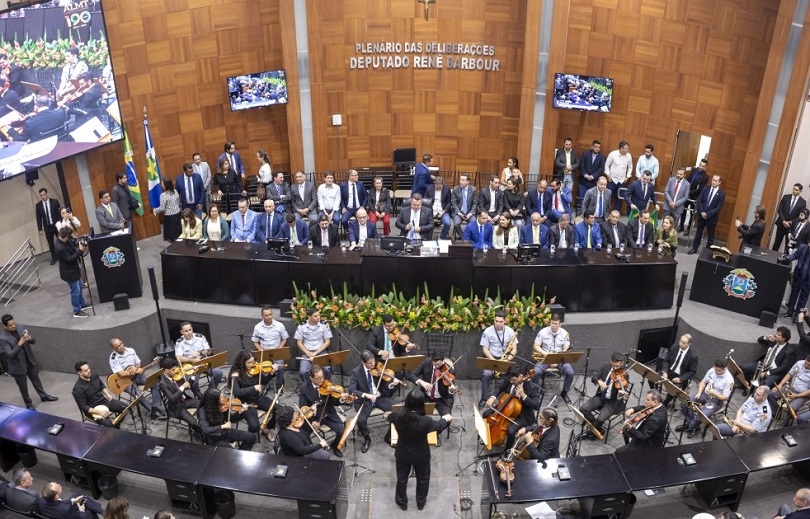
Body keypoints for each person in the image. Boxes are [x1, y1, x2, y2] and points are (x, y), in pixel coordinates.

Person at [388, 390, 452, 511]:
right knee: (423, 479)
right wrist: (445, 418)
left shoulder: (397, 416)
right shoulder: (425, 421)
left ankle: (402, 502)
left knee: (402, 479)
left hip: (403, 453)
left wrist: (386, 415)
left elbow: (389, 417)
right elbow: (438, 427)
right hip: (421, 455)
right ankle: (420, 502)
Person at [0, 314, 57, 409]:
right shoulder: (3, 338)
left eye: (13, 323)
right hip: (17, 365)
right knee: (23, 387)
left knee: (36, 380)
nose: (13, 326)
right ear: (5, 326)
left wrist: (30, 339)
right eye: (10, 325)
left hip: (29, 360)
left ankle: (43, 395)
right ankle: (28, 404)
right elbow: (9, 354)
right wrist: (20, 344)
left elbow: (33, 341)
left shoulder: (20, 326)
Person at [349, 350, 400, 452]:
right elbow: (352, 390)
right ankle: (367, 439)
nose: (373, 364)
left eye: (373, 361)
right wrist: (366, 395)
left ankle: (388, 437)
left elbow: (384, 385)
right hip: (365, 400)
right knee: (361, 420)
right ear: (363, 362)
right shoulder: (356, 372)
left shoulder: (378, 368)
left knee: (397, 412)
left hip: (379, 398)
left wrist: (392, 384)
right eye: (369, 363)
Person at [483, 364, 541, 448]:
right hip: (506, 406)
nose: (510, 382)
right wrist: (493, 397)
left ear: (520, 376)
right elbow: (500, 387)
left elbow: (536, 406)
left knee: (511, 431)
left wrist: (524, 396)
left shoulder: (531, 387)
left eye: (513, 380)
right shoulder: (510, 379)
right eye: (509, 379)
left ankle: (507, 450)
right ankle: (488, 436)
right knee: (486, 414)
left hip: (522, 414)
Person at [108, 338, 165, 420]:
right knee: (138, 395)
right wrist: (131, 371)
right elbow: (120, 373)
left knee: (154, 381)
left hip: (136, 376)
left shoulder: (131, 351)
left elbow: (138, 363)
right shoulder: (113, 358)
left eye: (121, 344)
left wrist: (136, 368)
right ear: (113, 349)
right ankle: (152, 410)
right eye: (117, 346)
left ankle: (155, 408)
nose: (121, 347)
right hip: (124, 381)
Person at [677, 358, 735, 438]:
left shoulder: (729, 380)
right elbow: (703, 382)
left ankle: (690, 427)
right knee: (685, 402)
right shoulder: (712, 370)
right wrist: (699, 393)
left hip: (716, 401)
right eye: (715, 369)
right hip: (704, 394)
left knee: (702, 415)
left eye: (718, 371)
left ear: (724, 369)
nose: (716, 372)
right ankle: (692, 424)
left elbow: (725, 397)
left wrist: (714, 393)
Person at [299, 364, 347, 457]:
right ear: (311, 378)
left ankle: (335, 446)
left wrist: (341, 399)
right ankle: (312, 451)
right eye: (318, 378)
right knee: (303, 435)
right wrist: (312, 421)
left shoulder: (327, 384)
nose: (321, 380)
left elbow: (334, 402)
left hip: (328, 414)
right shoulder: (304, 388)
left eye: (322, 377)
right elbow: (303, 407)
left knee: (341, 430)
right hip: (314, 417)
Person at [579, 353, 630, 439]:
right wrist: (599, 382)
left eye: (618, 366)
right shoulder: (605, 367)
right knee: (583, 409)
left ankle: (591, 432)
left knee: (600, 419)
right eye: (614, 365)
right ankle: (598, 429)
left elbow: (623, 391)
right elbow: (594, 377)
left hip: (613, 402)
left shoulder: (624, 374)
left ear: (621, 363)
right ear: (611, 362)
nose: (616, 368)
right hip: (601, 397)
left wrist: (621, 394)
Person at [228, 350, 275, 436]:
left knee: (279, 410)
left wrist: (271, 373)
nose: (252, 364)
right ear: (242, 363)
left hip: (258, 398)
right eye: (249, 363)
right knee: (254, 427)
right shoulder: (235, 375)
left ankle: (266, 428)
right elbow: (237, 392)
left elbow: (264, 381)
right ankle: (249, 437)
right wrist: (253, 388)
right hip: (246, 403)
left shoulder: (255, 369)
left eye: (253, 362)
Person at [174, 321, 224, 397]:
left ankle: (210, 393)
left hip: (203, 362)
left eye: (190, 330)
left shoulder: (200, 337)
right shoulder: (179, 342)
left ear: (192, 329)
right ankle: (200, 397)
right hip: (190, 366)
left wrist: (200, 353)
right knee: (193, 383)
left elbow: (209, 350)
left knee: (218, 373)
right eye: (186, 331)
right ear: (181, 332)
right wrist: (192, 360)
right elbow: (179, 358)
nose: (189, 332)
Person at [532, 314, 574, 403]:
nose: (553, 325)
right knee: (535, 372)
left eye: (555, 324)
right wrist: (545, 354)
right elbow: (536, 346)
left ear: (560, 324)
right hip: (545, 357)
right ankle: (536, 392)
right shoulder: (543, 332)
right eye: (552, 323)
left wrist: (557, 359)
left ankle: (564, 393)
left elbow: (566, 348)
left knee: (570, 372)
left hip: (559, 358)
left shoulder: (565, 333)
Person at [72, 361, 127, 427]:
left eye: (89, 368)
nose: (89, 371)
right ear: (79, 373)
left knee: (125, 408)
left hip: (103, 400)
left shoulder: (94, 375)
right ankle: (112, 428)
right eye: (86, 370)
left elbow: (101, 385)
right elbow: (84, 407)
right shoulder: (78, 389)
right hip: (93, 409)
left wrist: (107, 394)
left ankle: (116, 426)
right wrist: (100, 412)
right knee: (109, 424)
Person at [479, 310, 517, 404]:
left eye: (500, 321)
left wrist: (507, 360)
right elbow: (485, 349)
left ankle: (505, 399)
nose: (498, 323)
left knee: (513, 374)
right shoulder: (487, 331)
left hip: (505, 359)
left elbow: (514, 349)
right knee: (487, 375)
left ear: (505, 321)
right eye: (496, 321)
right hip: (491, 358)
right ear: (494, 320)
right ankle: (484, 399)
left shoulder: (510, 331)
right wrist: (495, 362)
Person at [54, 227, 91, 318]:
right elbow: (70, 259)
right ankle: (76, 310)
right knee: (75, 291)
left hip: (74, 269)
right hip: (69, 272)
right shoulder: (60, 248)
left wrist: (80, 243)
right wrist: (80, 250)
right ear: (65, 237)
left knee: (80, 287)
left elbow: (72, 243)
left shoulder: (65, 240)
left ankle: (82, 304)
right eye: (69, 237)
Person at [157, 357, 202, 431]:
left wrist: (194, 374)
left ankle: (203, 424)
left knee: (203, 404)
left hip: (184, 401)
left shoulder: (175, 376)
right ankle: (199, 432)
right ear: (166, 370)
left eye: (175, 369)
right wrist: (182, 387)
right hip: (177, 407)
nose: (175, 371)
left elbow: (187, 384)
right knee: (194, 423)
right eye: (173, 370)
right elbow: (172, 398)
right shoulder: (163, 384)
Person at [409, 352, 457, 417]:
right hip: (426, 396)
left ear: (443, 361)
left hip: (442, 399)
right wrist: (422, 382)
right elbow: (411, 375)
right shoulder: (427, 362)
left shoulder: (449, 370)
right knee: (414, 415)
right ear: (432, 361)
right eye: (435, 365)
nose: (437, 367)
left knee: (447, 418)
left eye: (439, 365)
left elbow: (450, 389)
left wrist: (451, 390)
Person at [251, 306, 289, 387]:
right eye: (266, 315)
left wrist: (279, 348)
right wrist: (261, 350)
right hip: (264, 352)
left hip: (277, 351)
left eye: (270, 314)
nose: (269, 317)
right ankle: (265, 385)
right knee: (261, 368)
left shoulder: (280, 325)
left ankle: (280, 386)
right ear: (262, 316)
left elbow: (285, 339)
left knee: (280, 367)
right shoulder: (257, 327)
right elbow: (255, 342)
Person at [688, 175, 725, 254]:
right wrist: (702, 212)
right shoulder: (705, 189)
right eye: (713, 180)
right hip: (701, 216)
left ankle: (707, 252)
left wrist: (707, 214)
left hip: (711, 218)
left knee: (710, 236)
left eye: (716, 181)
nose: (713, 182)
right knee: (698, 233)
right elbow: (699, 201)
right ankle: (695, 248)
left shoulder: (721, 194)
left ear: (719, 182)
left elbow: (718, 208)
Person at [660, 334, 699, 405]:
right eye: (680, 341)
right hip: (669, 371)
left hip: (680, 375)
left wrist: (680, 379)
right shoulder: (674, 347)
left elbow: (692, 372)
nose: (680, 344)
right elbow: (666, 361)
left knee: (673, 389)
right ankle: (657, 395)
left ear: (689, 344)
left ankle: (665, 402)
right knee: (651, 378)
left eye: (683, 343)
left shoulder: (693, 356)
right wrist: (665, 371)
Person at [294, 308, 332, 382]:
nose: (318, 317)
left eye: (318, 315)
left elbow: (327, 341)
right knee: (303, 372)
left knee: (327, 370)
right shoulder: (302, 326)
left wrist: (316, 353)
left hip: (320, 351)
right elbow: (299, 342)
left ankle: (325, 386)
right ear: (309, 317)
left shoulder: (323, 325)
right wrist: (308, 353)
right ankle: (309, 387)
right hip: (307, 352)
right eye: (315, 316)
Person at [770, 356, 810, 424]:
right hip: (790, 387)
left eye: (809, 365)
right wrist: (780, 385)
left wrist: (797, 396)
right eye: (806, 363)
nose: (806, 365)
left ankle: (785, 423)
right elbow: (789, 374)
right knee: (772, 393)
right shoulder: (799, 363)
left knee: (792, 408)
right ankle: (774, 414)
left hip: (802, 394)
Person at [774, 183, 807, 252]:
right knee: (776, 243)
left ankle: (784, 260)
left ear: (800, 191)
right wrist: (783, 221)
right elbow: (780, 209)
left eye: (796, 190)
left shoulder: (802, 202)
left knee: (788, 246)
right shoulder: (786, 197)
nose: (794, 191)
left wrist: (790, 222)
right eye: (794, 189)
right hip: (781, 224)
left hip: (791, 227)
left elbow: (800, 216)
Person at [604, 141, 633, 212]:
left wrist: (628, 176)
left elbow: (630, 167)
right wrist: (608, 175)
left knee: (620, 197)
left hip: (622, 181)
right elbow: (606, 165)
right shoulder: (613, 154)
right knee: (607, 196)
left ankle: (616, 212)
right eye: (626, 148)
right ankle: (605, 211)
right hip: (612, 180)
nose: (627, 150)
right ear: (621, 148)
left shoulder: (629, 156)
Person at [682, 159, 710, 233]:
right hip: (687, 194)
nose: (701, 167)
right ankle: (681, 226)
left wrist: (689, 193)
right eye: (700, 165)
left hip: (695, 197)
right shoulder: (694, 170)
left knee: (692, 213)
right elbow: (688, 180)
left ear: (705, 167)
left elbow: (700, 189)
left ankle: (688, 229)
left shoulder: (705, 177)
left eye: (703, 166)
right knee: (683, 210)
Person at [784, 244, 810, 321]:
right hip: (798, 276)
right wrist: (788, 258)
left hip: (808, 280)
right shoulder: (802, 247)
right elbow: (795, 255)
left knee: (803, 300)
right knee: (793, 295)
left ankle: (797, 317)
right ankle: (789, 312)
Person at [35, 188, 61, 265]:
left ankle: (62, 254)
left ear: (46, 194)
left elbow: (59, 213)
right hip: (47, 227)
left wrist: (61, 224)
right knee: (51, 243)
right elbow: (38, 218)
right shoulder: (38, 205)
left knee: (60, 240)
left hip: (56, 225)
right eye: (41, 195)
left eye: (44, 194)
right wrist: (40, 229)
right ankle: (54, 257)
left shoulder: (55, 202)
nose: (43, 196)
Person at [579, 140, 606, 212]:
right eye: (596, 147)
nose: (597, 149)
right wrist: (585, 175)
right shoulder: (586, 153)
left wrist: (593, 176)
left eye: (599, 147)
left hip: (594, 181)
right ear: (592, 147)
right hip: (583, 180)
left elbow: (601, 168)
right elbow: (582, 165)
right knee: (581, 196)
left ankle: (588, 212)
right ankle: (579, 210)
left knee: (591, 198)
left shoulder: (602, 157)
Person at [451, 174, 478, 239]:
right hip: (459, 212)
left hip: (469, 212)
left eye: (463, 180)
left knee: (473, 224)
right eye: (460, 180)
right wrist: (459, 213)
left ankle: (470, 237)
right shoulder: (455, 189)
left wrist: (470, 213)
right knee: (456, 224)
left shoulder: (473, 189)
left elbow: (475, 203)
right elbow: (453, 203)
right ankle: (464, 238)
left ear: (468, 182)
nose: (460, 182)